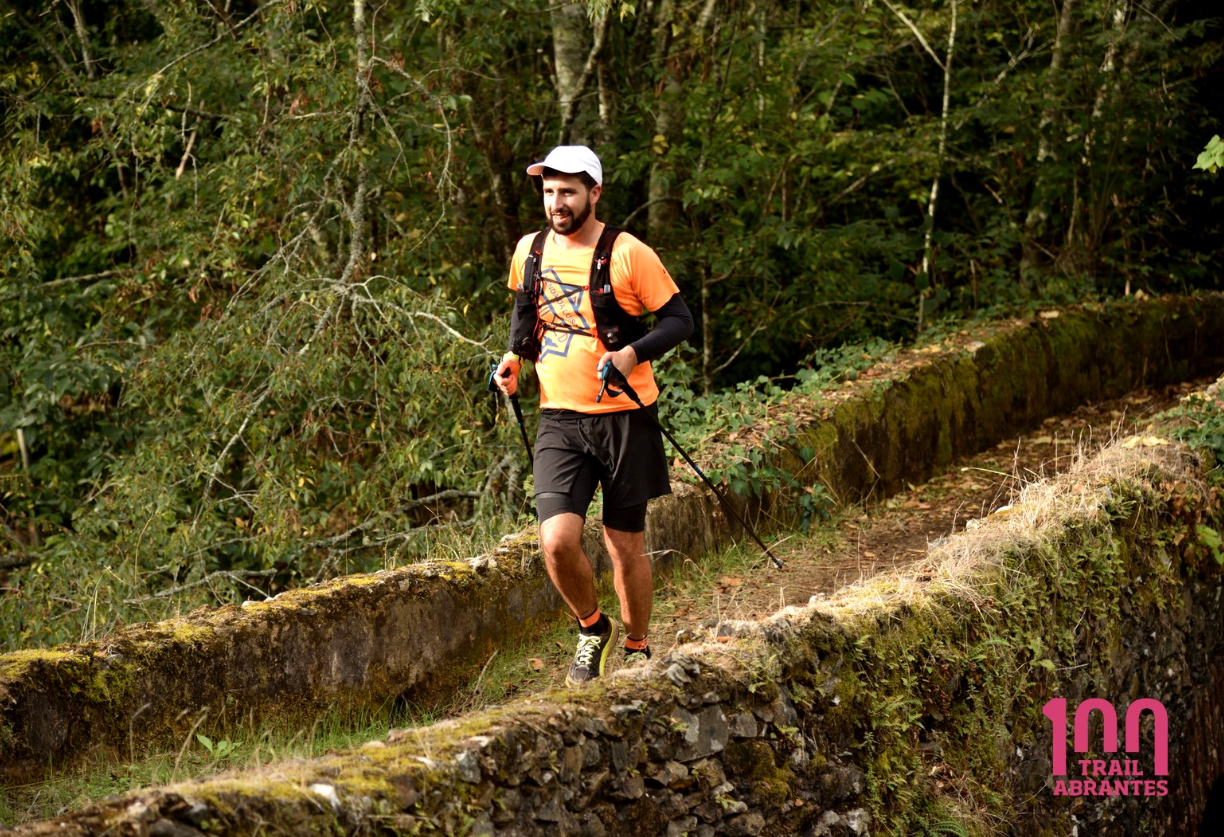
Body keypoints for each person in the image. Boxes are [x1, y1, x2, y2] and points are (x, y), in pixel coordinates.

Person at [493, 145, 693, 686]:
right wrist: (514, 359)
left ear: (594, 193)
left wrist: (632, 353)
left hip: (625, 414)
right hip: (558, 416)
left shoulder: (627, 253)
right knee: (556, 540)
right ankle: (591, 628)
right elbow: (524, 315)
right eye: (549, 191)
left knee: (623, 542)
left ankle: (637, 646)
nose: (556, 203)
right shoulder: (529, 250)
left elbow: (679, 320)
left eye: (568, 192)